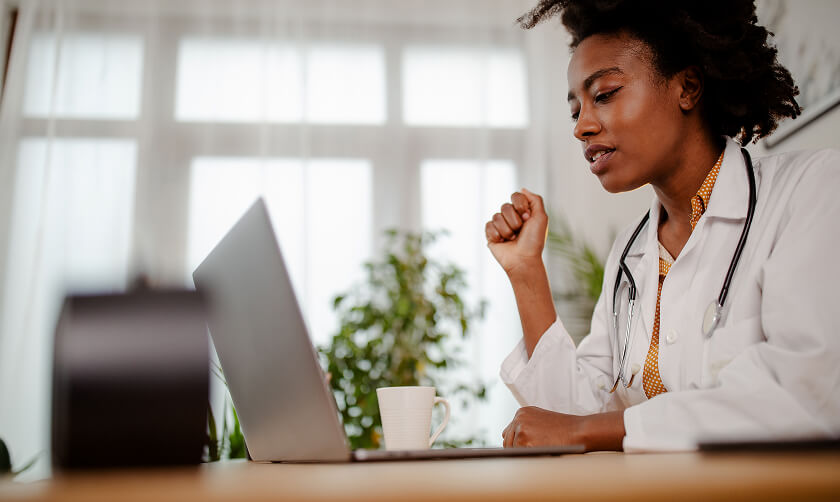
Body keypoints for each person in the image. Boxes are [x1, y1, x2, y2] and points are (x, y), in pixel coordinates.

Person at [486, 0, 840, 452]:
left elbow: (807, 392)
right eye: (576, 111)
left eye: (606, 94)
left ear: (687, 87)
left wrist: (584, 431)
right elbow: (573, 418)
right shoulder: (629, 254)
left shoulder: (809, 191)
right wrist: (526, 274)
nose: (582, 127)